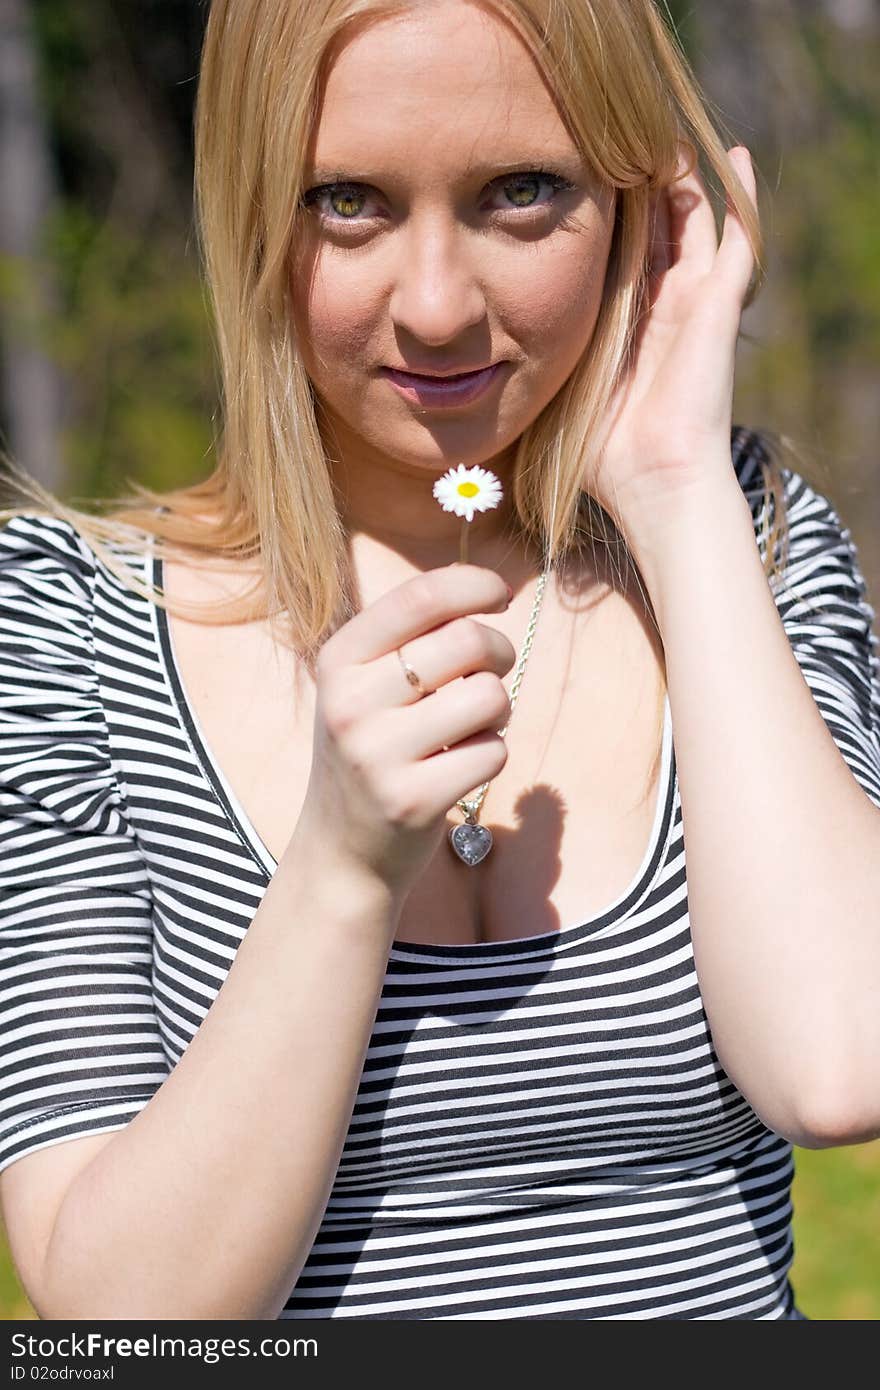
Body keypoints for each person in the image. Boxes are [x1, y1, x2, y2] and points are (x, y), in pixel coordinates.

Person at [1, 0, 879, 1322]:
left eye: (520, 194)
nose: (435, 307)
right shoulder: (65, 630)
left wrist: (675, 480)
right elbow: (118, 1318)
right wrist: (342, 867)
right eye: (347, 201)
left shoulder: (744, 543)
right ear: (251, 207)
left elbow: (836, 1065)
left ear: (641, 205)